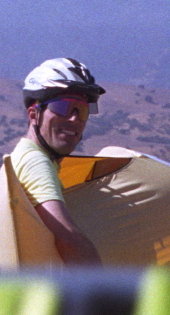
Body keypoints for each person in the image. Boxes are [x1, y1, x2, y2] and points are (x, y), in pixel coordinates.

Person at [9, 57, 104, 265]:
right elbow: (68, 239)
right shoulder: (35, 162)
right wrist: (103, 284)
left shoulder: (32, 156)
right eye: (62, 107)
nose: (74, 118)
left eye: (82, 110)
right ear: (33, 115)